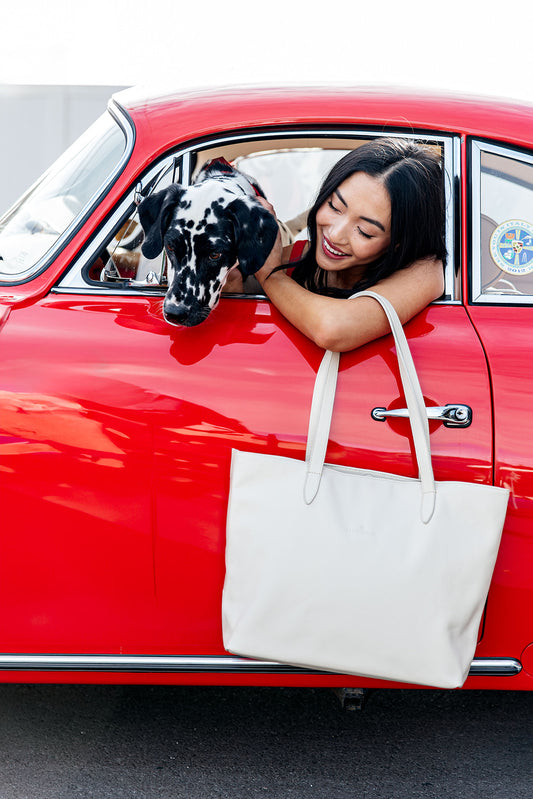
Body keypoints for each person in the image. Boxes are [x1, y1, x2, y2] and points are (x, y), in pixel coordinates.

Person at [253, 138, 447, 352]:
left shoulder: (428, 270)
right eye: (335, 206)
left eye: (364, 231)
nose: (335, 234)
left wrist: (269, 274)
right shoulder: (296, 258)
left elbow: (332, 329)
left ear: (399, 243)